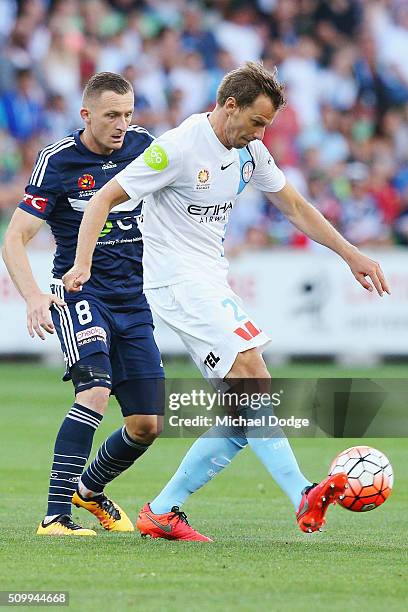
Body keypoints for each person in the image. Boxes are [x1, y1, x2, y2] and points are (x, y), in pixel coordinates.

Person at [63, 62, 390, 542]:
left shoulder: (250, 153)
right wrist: (83, 264)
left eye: (267, 126)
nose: (260, 134)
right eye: (256, 122)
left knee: (246, 403)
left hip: (211, 280)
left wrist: (350, 253)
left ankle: (163, 509)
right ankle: (302, 491)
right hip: (177, 283)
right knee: (252, 373)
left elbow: (295, 206)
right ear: (229, 105)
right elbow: (102, 199)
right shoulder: (177, 148)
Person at [2, 72, 164, 536]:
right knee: (93, 392)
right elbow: (16, 237)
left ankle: (88, 491)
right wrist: (34, 295)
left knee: (148, 423)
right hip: (80, 293)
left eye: (129, 114)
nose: (122, 124)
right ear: (86, 115)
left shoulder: (143, 147)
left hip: (134, 300)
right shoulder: (57, 160)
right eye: (112, 115)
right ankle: (55, 516)